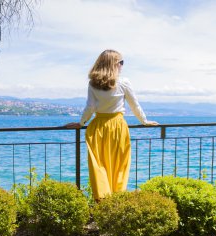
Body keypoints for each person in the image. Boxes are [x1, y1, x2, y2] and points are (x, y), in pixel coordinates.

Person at [66, 49, 158, 201]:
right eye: (121, 62)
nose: (122, 65)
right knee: (119, 165)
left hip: (97, 127)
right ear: (114, 64)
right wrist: (144, 121)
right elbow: (134, 105)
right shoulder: (123, 82)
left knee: (99, 165)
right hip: (117, 126)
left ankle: (102, 200)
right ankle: (116, 199)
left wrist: (81, 123)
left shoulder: (93, 83)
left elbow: (90, 107)